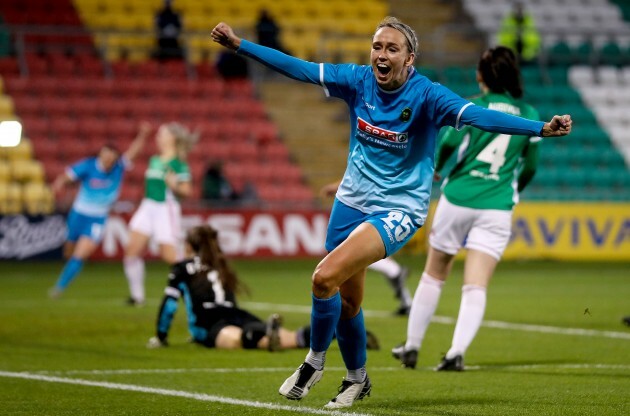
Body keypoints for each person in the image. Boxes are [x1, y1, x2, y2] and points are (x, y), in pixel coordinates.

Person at [211, 17, 571, 409]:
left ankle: (314, 362)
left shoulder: (428, 95)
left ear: (409, 58)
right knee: (347, 302)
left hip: (399, 209)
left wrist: (541, 128)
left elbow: (478, 117)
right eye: (377, 46)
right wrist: (240, 46)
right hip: (351, 201)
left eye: (391, 49)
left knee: (322, 278)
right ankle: (357, 379)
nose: (381, 55)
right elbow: (298, 68)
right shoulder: (356, 79)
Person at [392, 46, 543, 371]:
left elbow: (446, 143)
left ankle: (412, 347)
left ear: (480, 75)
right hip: (497, 206)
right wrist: (512, 191)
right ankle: (455, 353)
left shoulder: (475, 106)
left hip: (458, 198)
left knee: (434, 275)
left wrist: (438, 169)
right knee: (476, 284)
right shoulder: (529, 111)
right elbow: (530, 167)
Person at [147, 225, 380, 351]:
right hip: (235, 313)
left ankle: (258, 336)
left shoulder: (181, 267)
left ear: (189, 246)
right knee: (287, 338)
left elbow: (169, 305)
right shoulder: (220, 265)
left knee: (233, 339)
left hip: (210, 321)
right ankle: (336, 333)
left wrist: (161, 336)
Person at [48, 123, 150, 298]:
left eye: (112, 157)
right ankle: (67, 272)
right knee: (69, 251)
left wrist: (143, 135)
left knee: (82, 253)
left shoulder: (119, 167)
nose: (109, 160)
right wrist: (58, 184)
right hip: (78, 215)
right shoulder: (88, 166)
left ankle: (59, 288)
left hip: (97, 218)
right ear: (101, 155)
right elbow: (67, 176)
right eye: (106, 155)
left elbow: (134, 152)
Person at [123, 122, 198, 306]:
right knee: (131, 251)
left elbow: (187, 191)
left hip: (166, 208)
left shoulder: (178, 164)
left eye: (162, 134)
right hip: (148, 206)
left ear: (172, 138)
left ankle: (198, 282)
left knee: (171, 257)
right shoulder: (155, 160)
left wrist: (174, 185)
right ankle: (137, 296)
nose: (158, 137)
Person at [320, 180, 411, 315]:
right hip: (375, 210)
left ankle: (395, 272)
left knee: (354, 256)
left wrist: (333, 187)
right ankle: (407, 300)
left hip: (366, 211)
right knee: (362, 255)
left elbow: (357, 177)